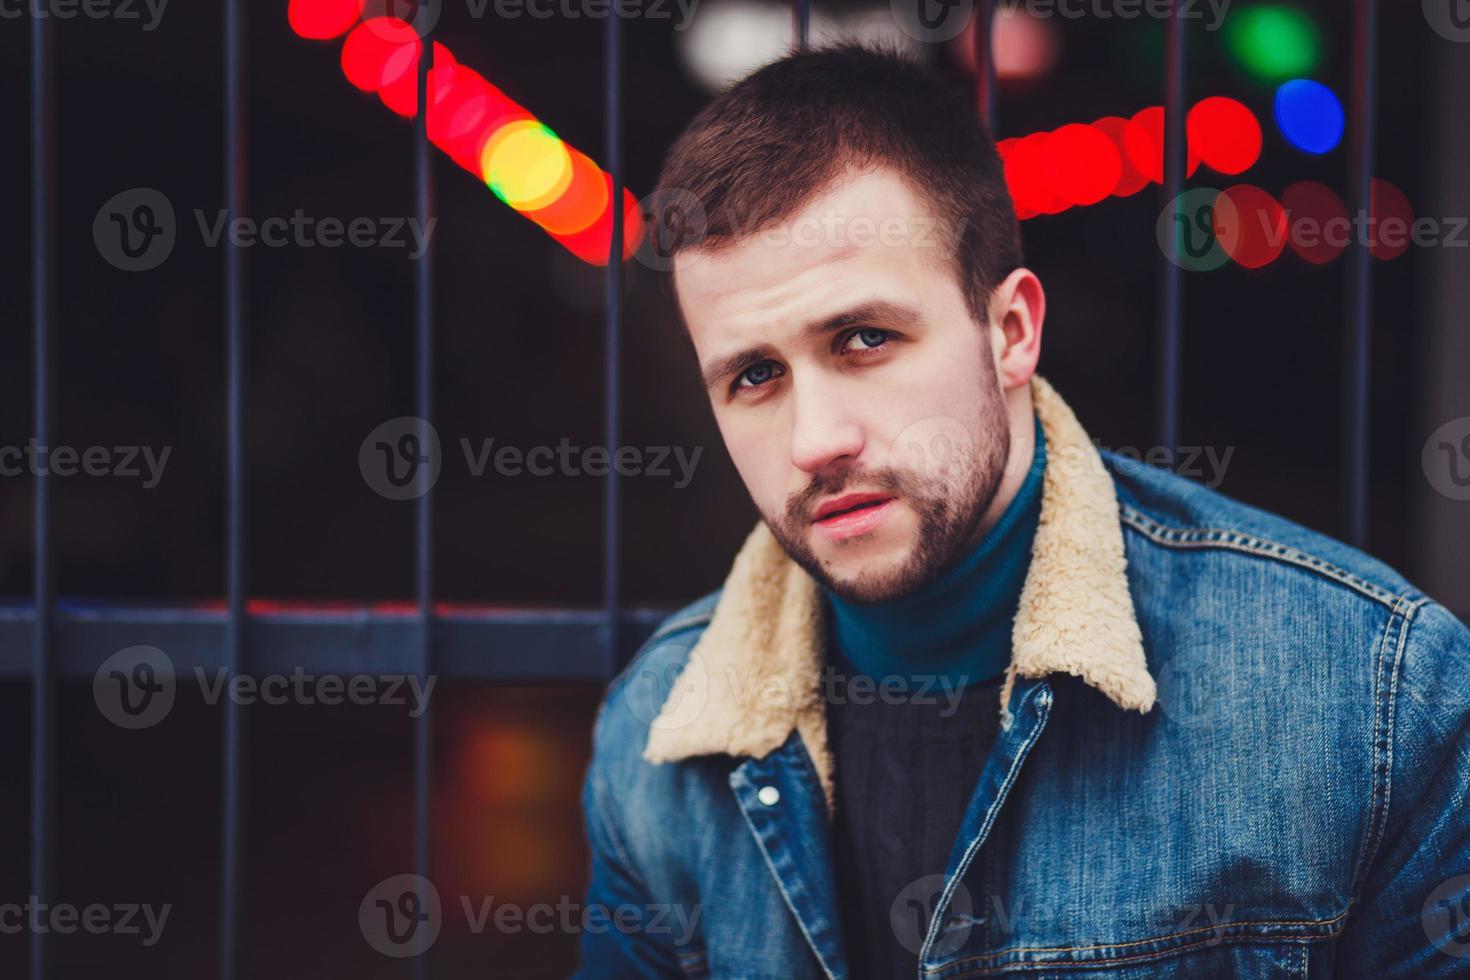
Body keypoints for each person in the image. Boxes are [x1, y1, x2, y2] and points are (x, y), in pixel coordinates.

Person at [576, 44, 1470, 978]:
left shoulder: (1365, 695)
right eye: (754, 375)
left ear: (1011, 332)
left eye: (865, 338)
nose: (815, 440)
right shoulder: (657, 741)